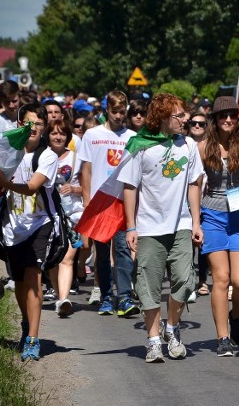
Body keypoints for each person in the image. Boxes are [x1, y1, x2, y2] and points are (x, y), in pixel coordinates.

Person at [119, 93, 204, 363]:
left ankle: (172, 327)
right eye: (179, 115)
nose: (185, 119)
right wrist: (131, 227)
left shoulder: (188, 145)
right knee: (149, 286)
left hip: (180, 224)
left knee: (185, 279)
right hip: (148, 227)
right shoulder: (140, 146)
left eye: (185, 114)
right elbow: (130, 188)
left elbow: (194, 184)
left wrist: (196, 221)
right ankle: (154, 341)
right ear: (163, 117)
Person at [0, 102, 58, 360]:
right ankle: (26, 325)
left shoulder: (47, 156)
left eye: (39, 124)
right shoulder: (6, 153)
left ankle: (33, 339)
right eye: (29, 123)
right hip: (12, 228)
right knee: (19, 284)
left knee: (34, 280)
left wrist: (4, 183)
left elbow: (31, 187)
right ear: (19, 124)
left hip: (40, 225)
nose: (34, 128)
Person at [198, 96, 239, 356]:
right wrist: (193, 222)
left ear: (238, 119)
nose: (227, 120)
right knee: (221, 279)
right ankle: (222, 337)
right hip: (212, 215)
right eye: (222, 115)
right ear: (214, 119)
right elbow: (193, 186)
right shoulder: (202, 147)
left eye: (232, 115)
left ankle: (236, 316)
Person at [78, 90, 139, 316]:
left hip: (122, 203)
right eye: (115, 112)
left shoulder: (132, 137)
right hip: (99, 202)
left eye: (122, 112)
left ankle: (123, 297)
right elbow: (86, 169)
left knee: (123, 249)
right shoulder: (92, 135)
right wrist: (86, 200)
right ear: (107, 111)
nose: (118, 116)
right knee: (101, 253)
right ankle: (105, 296)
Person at [44, 119, 84, 316]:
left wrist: (75, 188)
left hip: (73, 215)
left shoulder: (77, 158)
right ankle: (60, 296)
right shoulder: (42, 157)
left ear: (68, 137)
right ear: (48, 136)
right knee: (53, 258)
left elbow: (89, 188)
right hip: (49, 215)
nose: (58, 137)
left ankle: (64, 298)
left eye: (62, 133)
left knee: (67, 257)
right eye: (53, 133)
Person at [186, 110, 210, 297]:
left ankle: (202, 280)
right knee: (186, 243)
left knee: (202, 242)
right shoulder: (183, 145)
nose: (197, 126)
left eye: (201, 124)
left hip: (207, 199)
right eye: (194, 123)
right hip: (186, 199)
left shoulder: (212, 146)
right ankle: (187, 278)